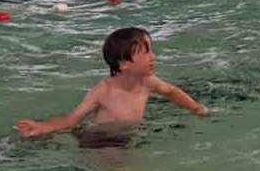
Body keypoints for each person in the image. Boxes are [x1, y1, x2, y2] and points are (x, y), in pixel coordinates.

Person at [16, 27, 209, 138]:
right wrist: (43, 127)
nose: (153, 57)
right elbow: (72, 120)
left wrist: (195, 107)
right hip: (101, 140)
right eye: (146, 52)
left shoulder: (148, 81)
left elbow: (171, 91)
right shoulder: (103, 91)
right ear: (124, 64)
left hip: (129, 135)